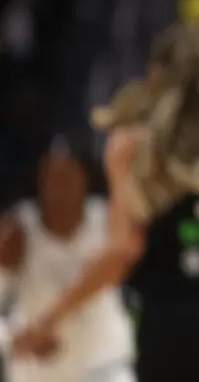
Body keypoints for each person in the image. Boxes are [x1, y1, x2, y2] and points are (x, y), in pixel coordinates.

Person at [10, 24, 199, 382]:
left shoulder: (133, 146)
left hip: (171, 322)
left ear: (156, 76)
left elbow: (124, 250)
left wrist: (53, 316)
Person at [0, 138, 136, 382]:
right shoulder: (17, 232)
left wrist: (50, 319)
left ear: (85, 179)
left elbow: (122, 258)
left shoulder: (109, 221)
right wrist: (12, 340)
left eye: (66, 177)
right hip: (39, 375)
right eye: (49, 177)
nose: (56, 188)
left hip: (105, 367)